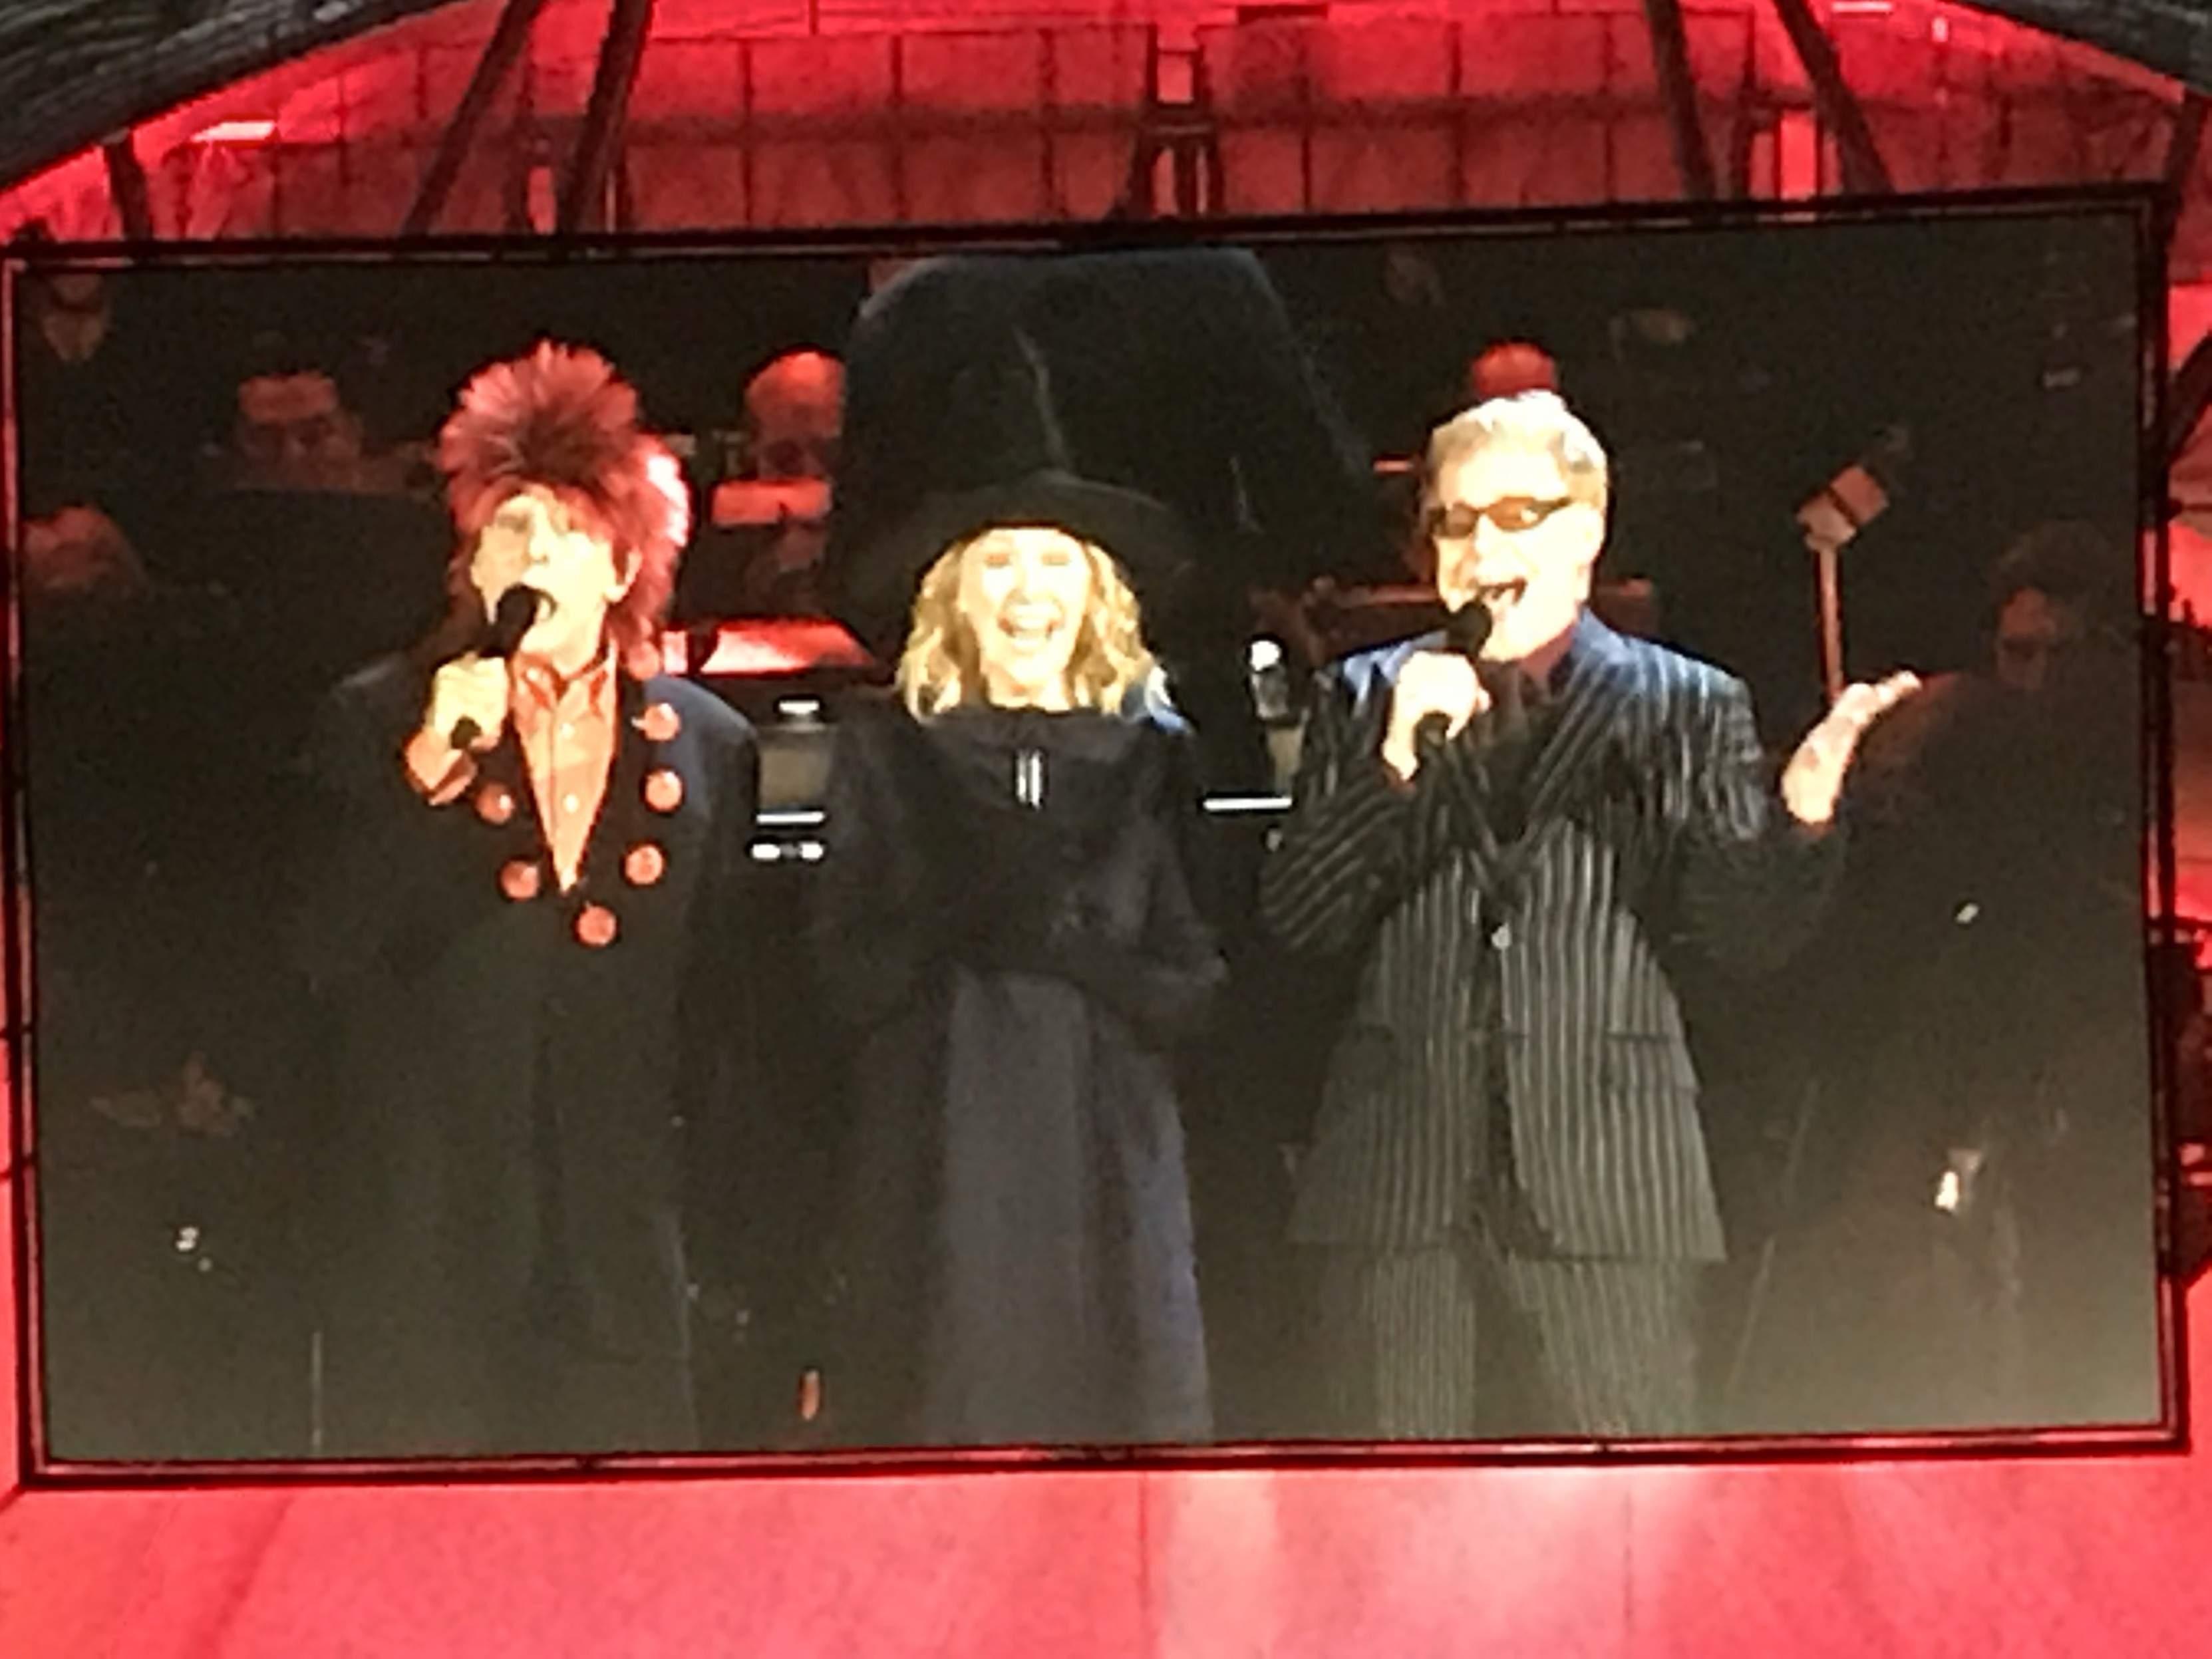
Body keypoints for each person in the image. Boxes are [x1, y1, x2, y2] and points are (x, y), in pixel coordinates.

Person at [1260, 388, 1917, 1439]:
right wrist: (1391, 771)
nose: (1479, 546)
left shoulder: (1682, 703)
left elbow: (1741, 938)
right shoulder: (1361, 696)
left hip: (1610, 1189)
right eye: (1454, 520)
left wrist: (1797, 823)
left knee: (1619, 1537)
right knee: (1396, 1540)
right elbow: (1298, 919)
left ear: (1585, 531)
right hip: (1396, 1194)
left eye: (1514, 514)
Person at [291, 342, 761, 1456]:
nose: (530, 553)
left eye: (563, 531)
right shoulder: (375, 718)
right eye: (506, 529)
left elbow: (733, 1008)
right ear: (467, 563)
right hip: (433, 1235)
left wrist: (741, 1236)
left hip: (625, 1242)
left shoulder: (707, 745)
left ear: (623, 567)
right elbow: (321, 946)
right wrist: (427, 774)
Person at [812, 343, 1224, 1447]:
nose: (1027, 592)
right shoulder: (885, 752)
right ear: (954, 592)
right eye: (998, 563)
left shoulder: (1154, 758)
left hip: (1108, 1171)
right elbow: (839, 981)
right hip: (940, 1166)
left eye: (1054, 564)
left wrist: (1085, 956)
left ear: (1094, 594)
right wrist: (960, 923)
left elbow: (1199, 985)